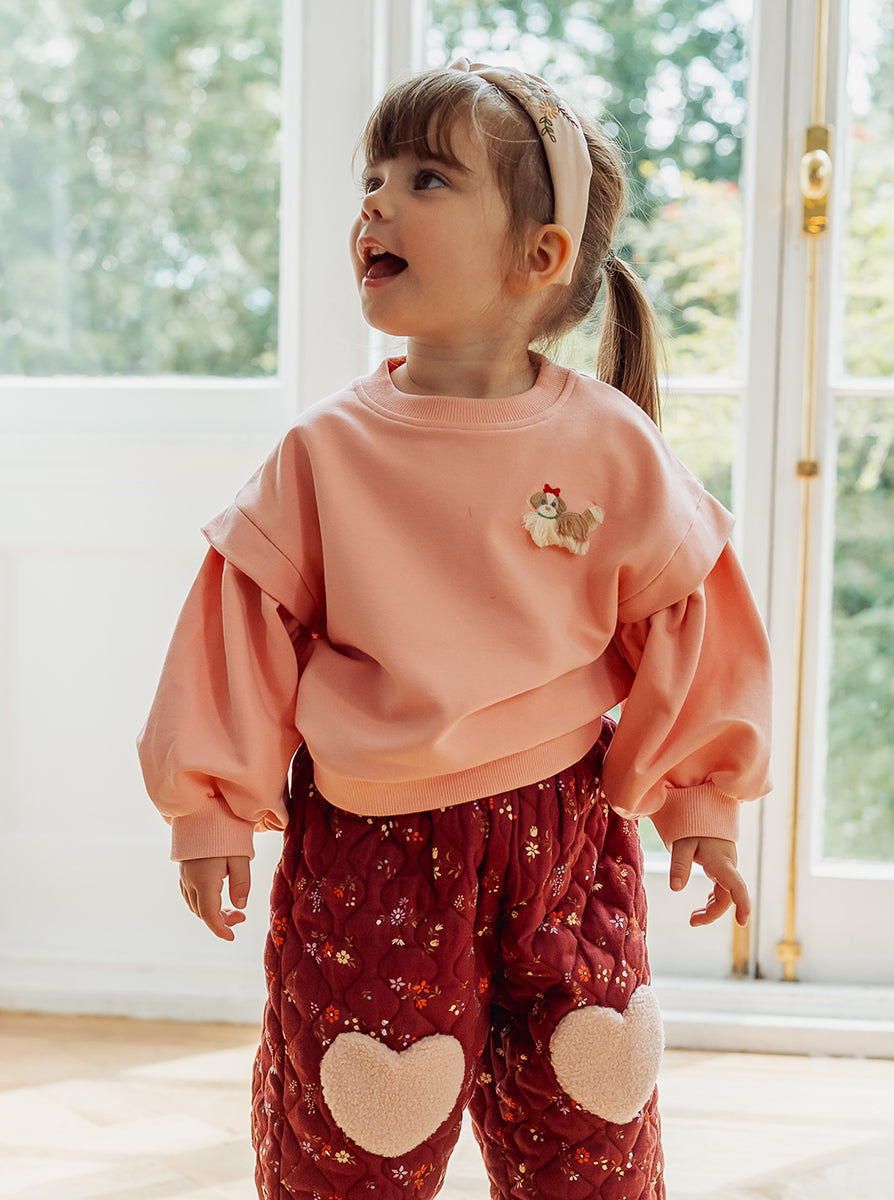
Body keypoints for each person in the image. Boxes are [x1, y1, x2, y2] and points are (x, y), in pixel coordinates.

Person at [139, 58, 772, 1200]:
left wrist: (701, 800)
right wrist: (212, 808)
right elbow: (240, 628)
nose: (376, 202)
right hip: (373, 848)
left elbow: (688, 617)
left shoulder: (610, 444)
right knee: (354, 1138)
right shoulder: (324, 453)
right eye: (372, 178)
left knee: (591, 1116)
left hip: (567, 832)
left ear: (541, 256)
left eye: (426, 179)